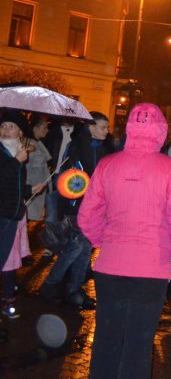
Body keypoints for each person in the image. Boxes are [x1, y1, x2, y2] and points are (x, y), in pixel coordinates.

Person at [77, 103, 171, 378]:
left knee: (107, 337)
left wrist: (102, 241)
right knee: (139, 342)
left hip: (111, 265)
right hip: (151, 267)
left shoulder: (108, 164)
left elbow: (88, 214)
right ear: (160, 130)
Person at [41, 112, 114, 309]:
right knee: (76, 247)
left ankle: (72, 288)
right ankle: (54, 285)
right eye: (102, 127)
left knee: (84, 248)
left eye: (107, 127)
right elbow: (72, 177)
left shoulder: (104, 148)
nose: (106, 131)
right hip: (78, 206)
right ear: (91, 127)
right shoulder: (77, 146)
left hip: (95, 207)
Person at [0, 111, 41, 321]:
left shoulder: (18, 153)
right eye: (3, 126)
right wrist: (16, 162)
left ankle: (8, 300)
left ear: (20, 132)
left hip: (14, 214)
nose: (6, 130)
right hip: (3, 214)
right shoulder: (10, 155)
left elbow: (11, 185)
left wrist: (30, 189)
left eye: (11, 126)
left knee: (10, 260)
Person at [25, 115, 52, 221]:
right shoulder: (28, 144)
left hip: (38, 186)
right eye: (44, 127)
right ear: (35, 128)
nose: (47, 130)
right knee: (28, 216)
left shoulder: (38, 143)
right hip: (32, 186)